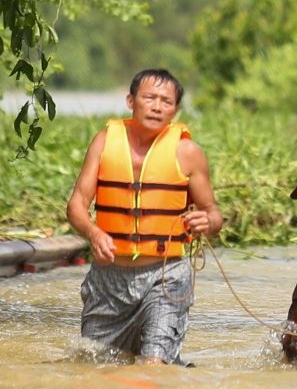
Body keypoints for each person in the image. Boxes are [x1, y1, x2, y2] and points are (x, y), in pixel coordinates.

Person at [66, 69, 223, 365]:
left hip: (166, 278)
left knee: (154, 366)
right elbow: (76, 204)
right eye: (149, 97)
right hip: (109, 280)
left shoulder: (188, 153)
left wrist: (207, 221)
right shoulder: (103, 142)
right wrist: (94, 233)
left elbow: (214, 214)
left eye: (166, 101)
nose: (156, 106)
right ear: (130, 101)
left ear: (175, 110)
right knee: (95, 366)